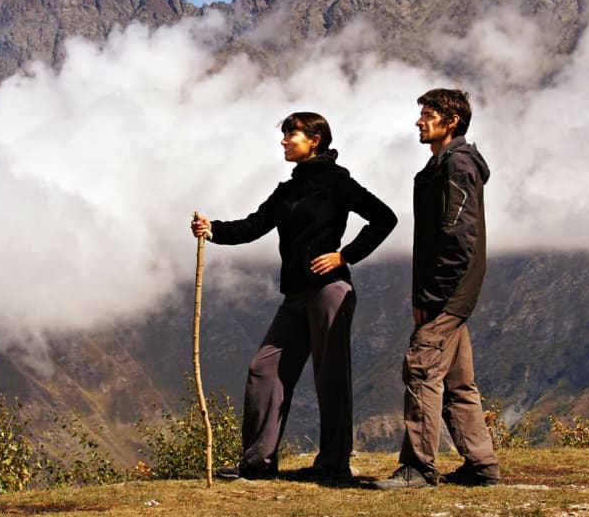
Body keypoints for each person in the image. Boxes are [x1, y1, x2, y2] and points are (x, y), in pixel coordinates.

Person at [190, 111, 397, 482]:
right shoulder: (289, 189)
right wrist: (213, 230)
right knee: (264, 368)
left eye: (291, 135)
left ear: (314, 140)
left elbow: (384, 217)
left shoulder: (337, 183)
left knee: (330, 378)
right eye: (284, 135)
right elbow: (254, 225)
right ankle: (257, 462)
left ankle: (333, 464)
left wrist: (344, 254)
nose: (284, 141)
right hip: (296, 295)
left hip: (330, 290)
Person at [369, 88, 500, 490]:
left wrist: (431, 295)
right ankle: (481, 465)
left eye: (428, 114)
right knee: (458, 382)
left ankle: (418, 467)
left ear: (452, 121)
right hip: (451, 292)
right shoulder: (443, 166)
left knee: (422, 369)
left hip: (447, 293)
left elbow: (458, 235)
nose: (418, 121)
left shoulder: (457, 165)